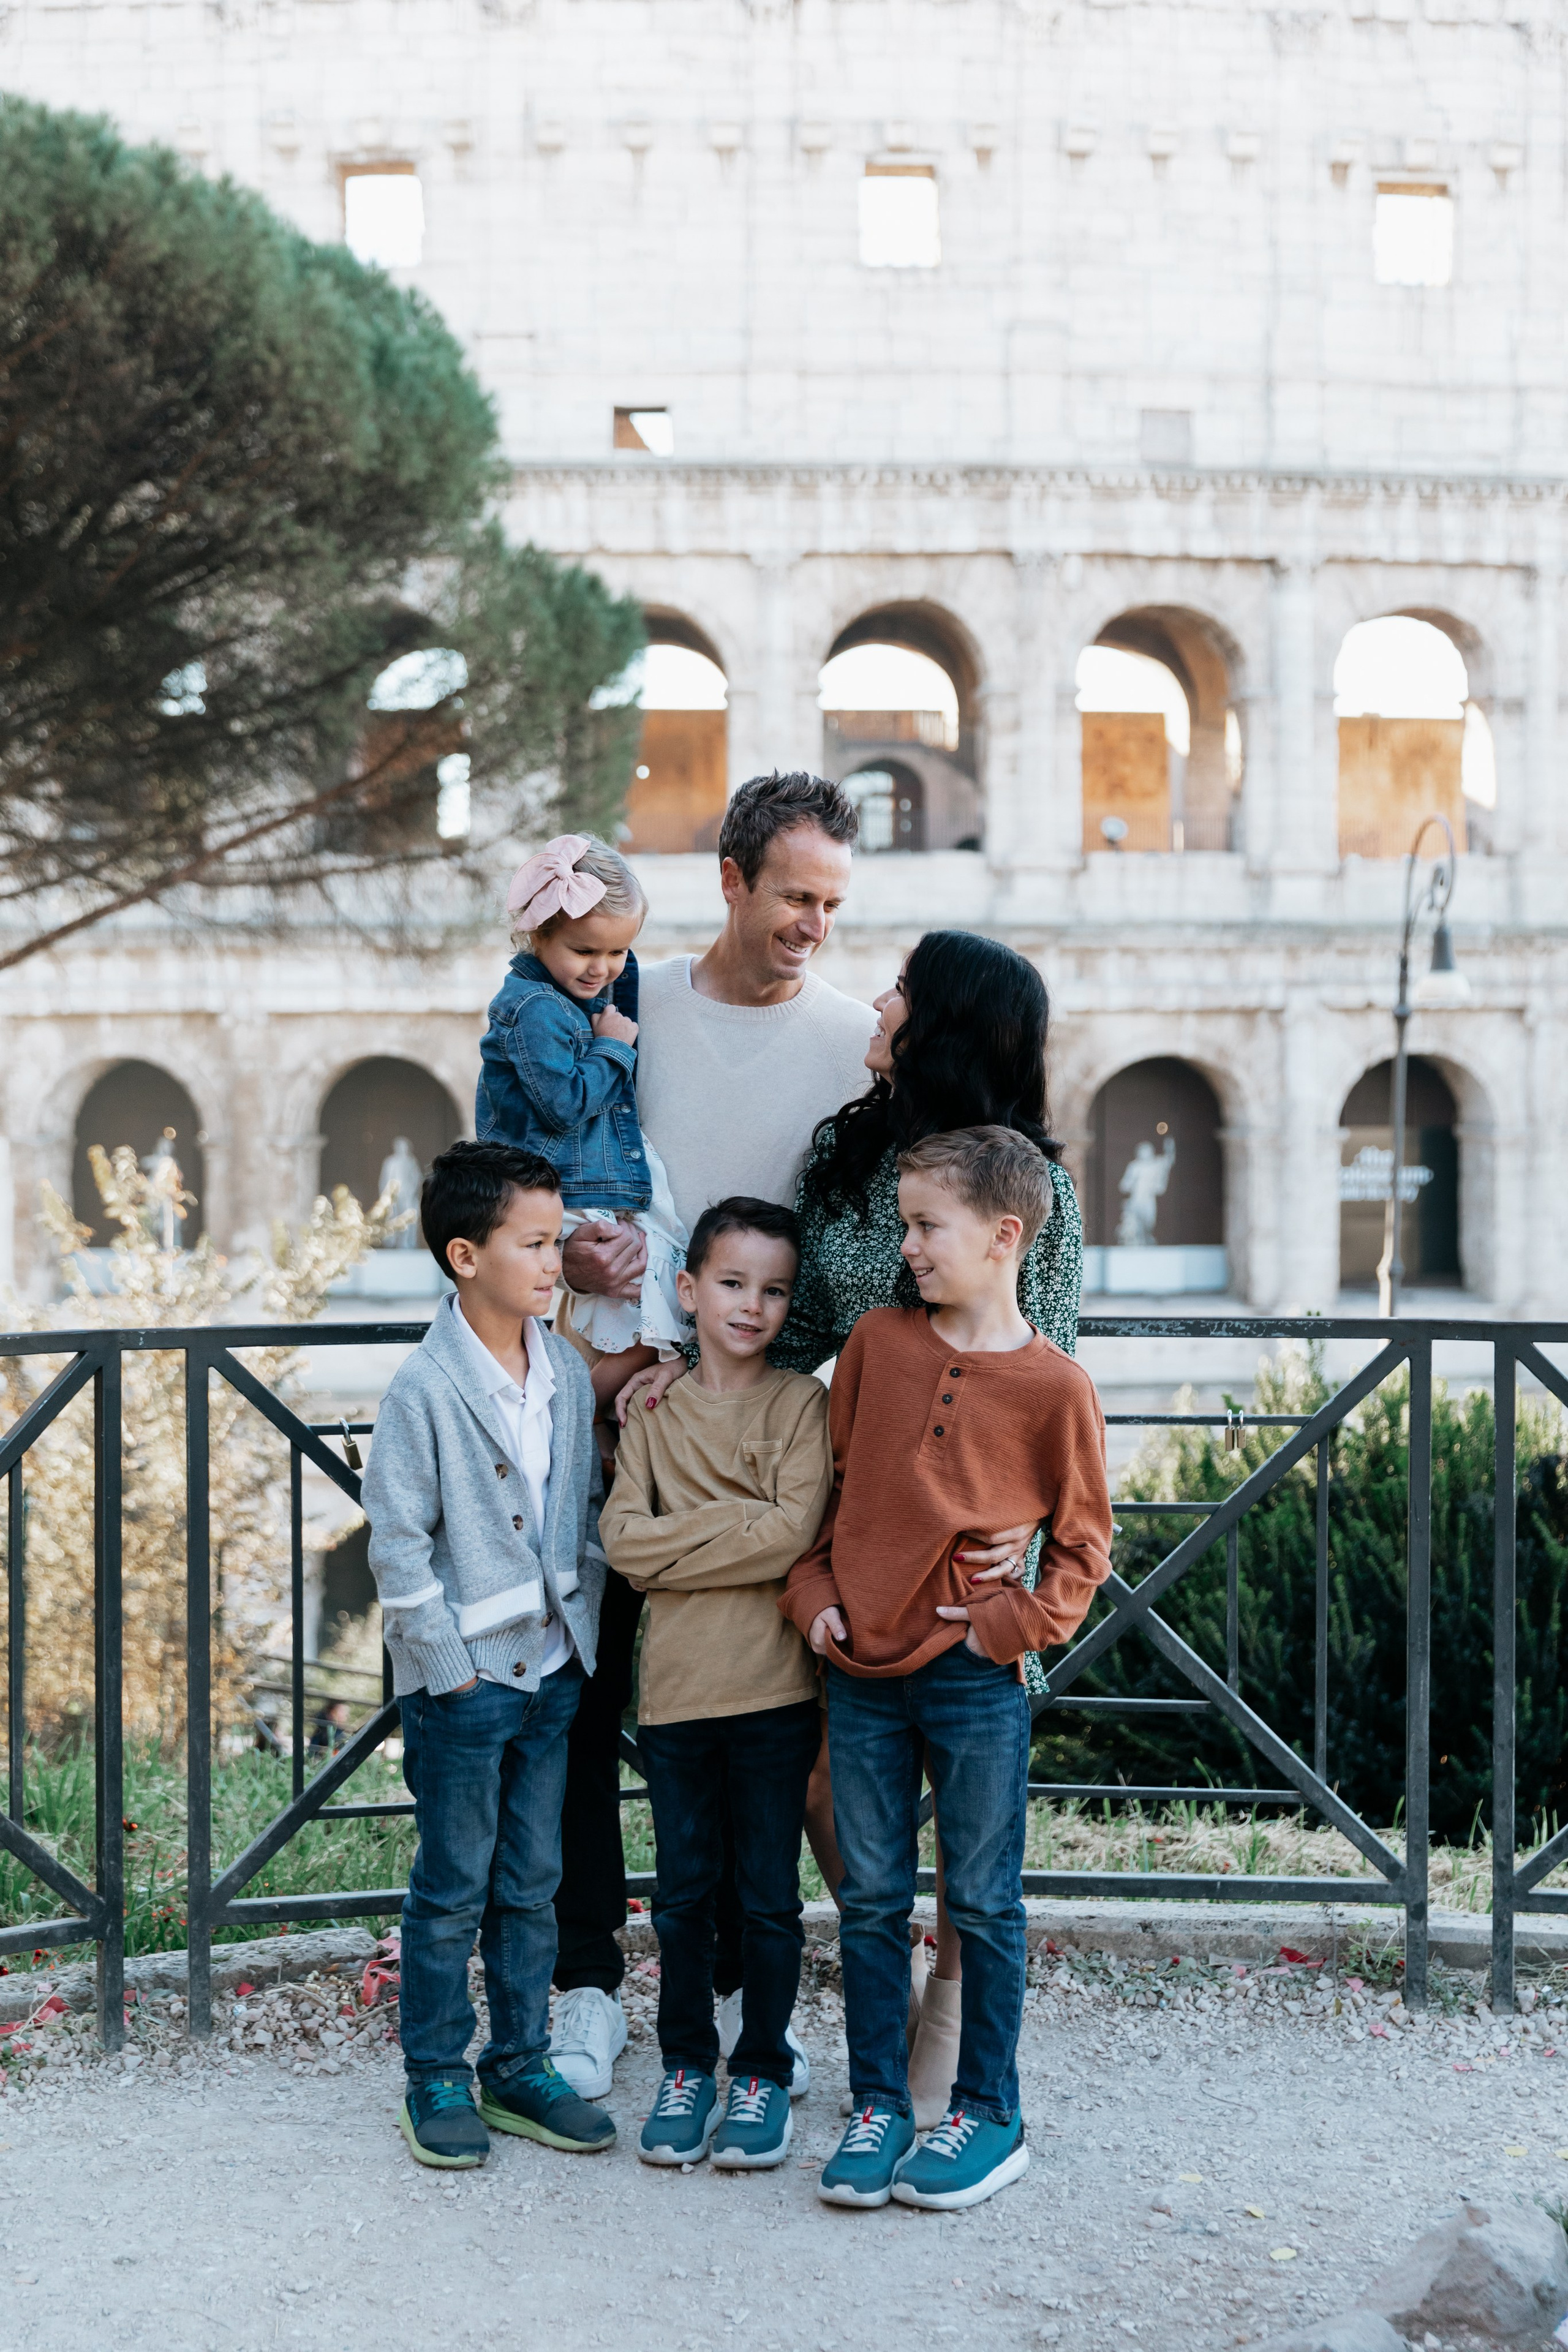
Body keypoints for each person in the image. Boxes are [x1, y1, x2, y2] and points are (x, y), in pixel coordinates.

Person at [628, 925, 1085, 2125]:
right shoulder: (845, 1162)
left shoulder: (1029, 1194)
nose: (875, 1001)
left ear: (941, 1024)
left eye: (900, 989)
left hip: (971, 1553)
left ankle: (956, 1995)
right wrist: (688, 1368)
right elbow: (789, 1322)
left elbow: (1045, 1377)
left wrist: (1017, 1574)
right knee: (832, 1788)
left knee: (973, 1821)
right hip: (847, 1506)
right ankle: (904, 1974)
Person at [543, 772, 875, 2100]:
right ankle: (583, 1981)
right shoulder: (629, 1007)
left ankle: (755, 1992)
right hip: (609, 1411)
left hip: (775, 1448)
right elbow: (522, 1166)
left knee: (769, 1732)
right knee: (583, 1708)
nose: (811, 923)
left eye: (832, 903)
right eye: (792, 894)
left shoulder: (858, 1037)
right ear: (730, 882)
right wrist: (572, 1250)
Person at [781, 1127, 1113, 2211]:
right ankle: (879, 2101)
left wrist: (1004, 1627)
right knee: (870, 1900)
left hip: (974, 1678)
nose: (909, 1245)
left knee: (983, 1899)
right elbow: (834, 1492)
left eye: (928, 1226)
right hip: (861, 1667)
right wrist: (816, 1598)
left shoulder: (1058, 1389)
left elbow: (1082, 1549)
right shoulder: (877, 1343)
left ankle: (989, 2112)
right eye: (907, 1224)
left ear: (1004, 1237)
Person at [360, 1139, 617, 2170]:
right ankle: (435, 2073)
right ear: (467, 1255)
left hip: (553, 1673)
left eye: (559, 1242)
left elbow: (578, 1511)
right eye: (538, 1244)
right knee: (453, 1884)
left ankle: (519, 2062)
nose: (559, 1262)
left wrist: (580, 1625)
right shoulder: (425, 1388)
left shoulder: (562, 1367)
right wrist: (447, 1663)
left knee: (534, 1878)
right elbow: (396, 1542)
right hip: (465, 1686)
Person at [598, 1197, 832, 2171]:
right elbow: (622, 1544)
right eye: (733, 1284)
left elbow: (794, 1532)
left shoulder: (801, 1406)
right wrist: (742, 1529)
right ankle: (688, 2064)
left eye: (773, 1290)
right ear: (688, 1291)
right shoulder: (652, 1408)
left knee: (771, 1899)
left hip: (777, 1692)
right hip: (680, 1698)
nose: (752, 1306)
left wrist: (682, 1543)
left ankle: (764, 2072)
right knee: (686, 1898)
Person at [475, 833, 689, 1428]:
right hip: (566, 1184)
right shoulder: (535, 1009)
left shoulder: (573, 990)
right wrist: (614, 1050)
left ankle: (575, 1421)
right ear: (537, 935)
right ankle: (564, 1420)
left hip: (591, 1178)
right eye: (585, 951)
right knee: (655, 1298)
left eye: (619, 952)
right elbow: (564, 1104)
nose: (604, 969)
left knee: (653, 1296)